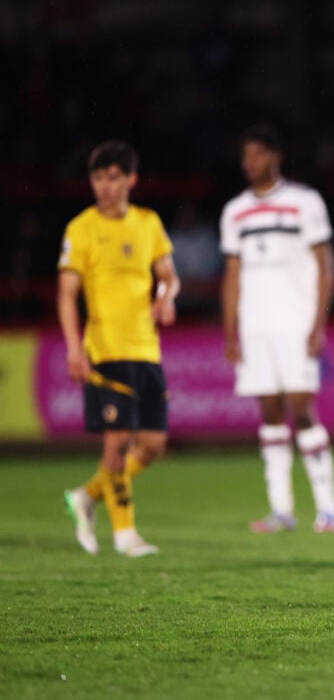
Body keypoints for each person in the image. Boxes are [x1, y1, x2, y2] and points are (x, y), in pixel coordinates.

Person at [59, 140, 180, 557]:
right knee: (116, 444)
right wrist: (75, 348)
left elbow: (168, 274)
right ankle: (126, 535)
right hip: (106, 350)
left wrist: (166, 296)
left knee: (152, 445)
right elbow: (66, 294)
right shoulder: (81, 228)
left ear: (131, 179)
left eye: (113, 177)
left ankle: (86, 497)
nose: (105, 186)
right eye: (98, 178)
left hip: (147, 350)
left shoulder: (148, 223)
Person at [220, 124, 334, 534]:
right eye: (244, 156)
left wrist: (317, 322)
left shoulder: (304, 202)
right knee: (270, 412)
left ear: (275, 156)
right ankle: (281, 510)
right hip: (255, 327)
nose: (249, 163)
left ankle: (328, 509)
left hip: (295, 321)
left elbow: (325, 266)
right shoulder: (234, 211)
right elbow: (232, 274)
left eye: (256, 154)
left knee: (302, 407)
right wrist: (230, 331)